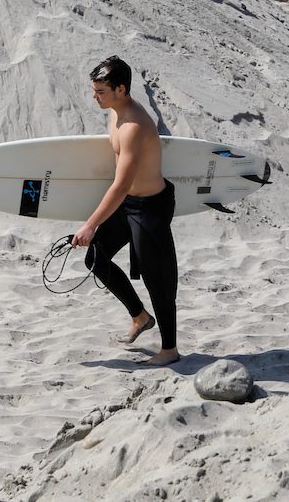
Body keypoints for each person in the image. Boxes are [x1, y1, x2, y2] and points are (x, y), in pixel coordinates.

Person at [72, 57, 180, 366]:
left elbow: (121, 183)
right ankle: (140, 316)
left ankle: (170, 350)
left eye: (101, 91)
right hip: (128, 204)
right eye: (94, 90)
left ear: (121, 89)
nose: (95, 97)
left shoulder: (134, 125)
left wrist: (90, 224)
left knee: (156, 279)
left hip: (149, 208)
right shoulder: (115, 112)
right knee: (96, 257)